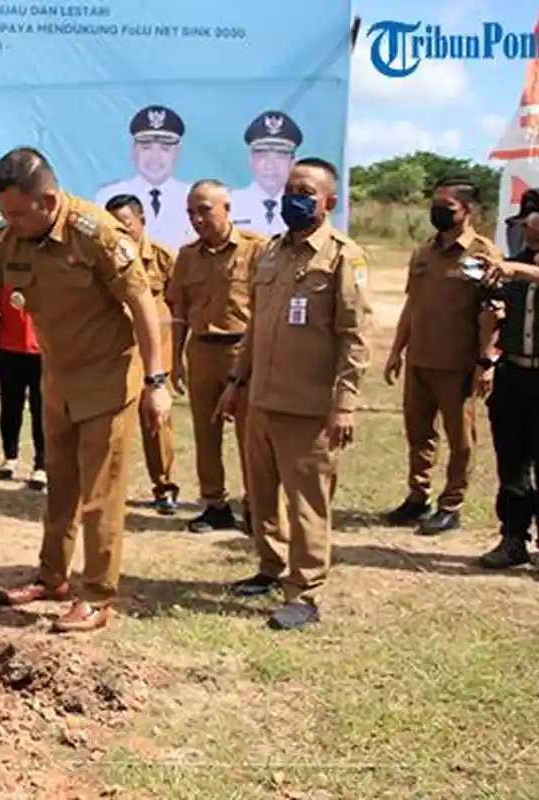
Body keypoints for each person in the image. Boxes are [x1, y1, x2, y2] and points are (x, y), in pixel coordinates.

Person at [0, 147, 174, 633]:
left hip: (107, 377)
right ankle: (52, 578)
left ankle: (96, 595)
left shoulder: (96, 233)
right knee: (60, 485)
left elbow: (142, 302)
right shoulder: (6, 239)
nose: (10, 222)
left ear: (49, 201)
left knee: (99, 493)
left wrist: (156, 381)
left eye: (18, 212)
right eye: (5, 212)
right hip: (56, 376)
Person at [216, 157, 372, 630]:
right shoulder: (272, 251)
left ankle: (304, 591)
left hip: (308, 408)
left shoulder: (343, 257)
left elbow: (354, 337)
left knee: (307, 504)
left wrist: (344, 404)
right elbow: (256, 327)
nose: (293, 199)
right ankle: (270, 566)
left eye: (305, 192)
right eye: (289, 190)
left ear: (329, 201)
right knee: (262, 496)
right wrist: (235, 382)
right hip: (261, 400)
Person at [381, 178, 502, 535]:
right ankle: (418, 496)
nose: (438, 213)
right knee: (418, 433)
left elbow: (493, 312)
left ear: (469, 210)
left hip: (457, 363)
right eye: (435, 206)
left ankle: (451, 505)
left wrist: (487, 361)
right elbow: (412, 305)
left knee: (460, 439)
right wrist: (396, 351)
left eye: (447, 208)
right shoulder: (424, 251)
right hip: (419, 358)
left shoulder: (483, 254)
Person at [477, 191, 539, 585]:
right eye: (524, 225)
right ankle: (513, 537)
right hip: (513, 372)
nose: (531, 233)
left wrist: (520, 271)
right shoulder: (509, 266)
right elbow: (490, 316)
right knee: (512, 462)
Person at [168, 180, 268, 533]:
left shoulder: (257, 250)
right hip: (201, 351)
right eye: (191, 213)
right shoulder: (187, 256)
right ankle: (215, 505)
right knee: (205, 433)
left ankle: (256, 506)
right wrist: (175, 358)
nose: (197, 219)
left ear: (227, 208)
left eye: (205, 210)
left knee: (250, 436)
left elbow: (266, 309)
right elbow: (179, 311)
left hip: (243, 351)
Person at [105, 193, 180, 513]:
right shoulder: (103, 258)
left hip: (154, 357)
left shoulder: (163, 258)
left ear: (142, 221)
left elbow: (178, 306)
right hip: (116, 356)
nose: (121, 233)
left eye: (126, 224)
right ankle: (106, 491)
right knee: (110, 426)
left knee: (156, 423)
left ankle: (165, 487)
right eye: (114, 227)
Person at [94, 105, 191, 248]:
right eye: (146, 148)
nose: (155, 157)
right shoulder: (108, 195)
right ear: (134, 151)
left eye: (165, 149)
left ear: (177, 153)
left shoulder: (192, 197)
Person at [0, 276, 45, 490]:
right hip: (8, 346)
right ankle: (10, 456)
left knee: (42, 408)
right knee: (10, 406)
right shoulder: (4, 266)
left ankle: (42, 464)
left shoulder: (48, 265)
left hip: (43, 348)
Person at [230, 111, 304, 238]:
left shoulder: (302, 208)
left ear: (292, 162)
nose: (271, 165)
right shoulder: (230, 204)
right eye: (262, 154)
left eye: (280, 155)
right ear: (251, 160)